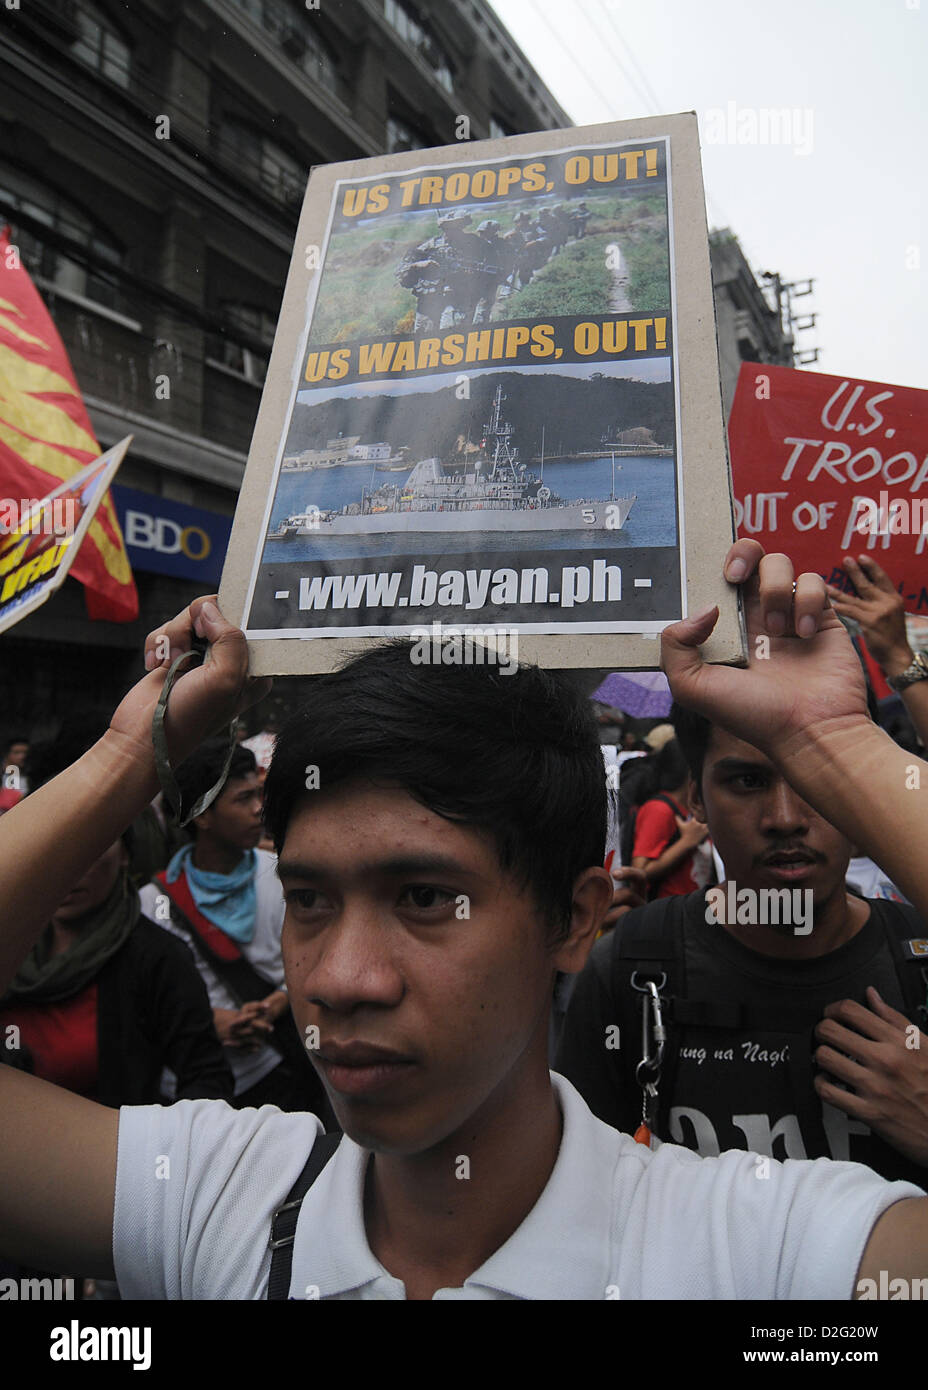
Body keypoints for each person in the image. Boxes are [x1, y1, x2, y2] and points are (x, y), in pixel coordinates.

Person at [0, 552, 927, 1299]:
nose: (342, 980)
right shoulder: (218, 1194)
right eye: (312, 900)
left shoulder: (768, 1252)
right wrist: (130, 753)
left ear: (575, 921)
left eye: (425, 899)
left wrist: (833, 744)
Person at [556, 695, 928, 1184]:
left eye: (815, 776)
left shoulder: (918, 960)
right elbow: (580, 1203)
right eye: (748, 781)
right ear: (696, 799)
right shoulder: (631, 970)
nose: (785, 817)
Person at [138, 739, 327, 1117]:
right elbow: (143, 1003)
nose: (260, 809)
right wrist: (208, 1021)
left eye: (258, 795)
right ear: (202, 815)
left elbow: (316, 960)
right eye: (243, 799)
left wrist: (273, 1006)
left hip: (280, 1068)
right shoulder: (152, 903)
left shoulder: (283, 875)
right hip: (191, 1087)